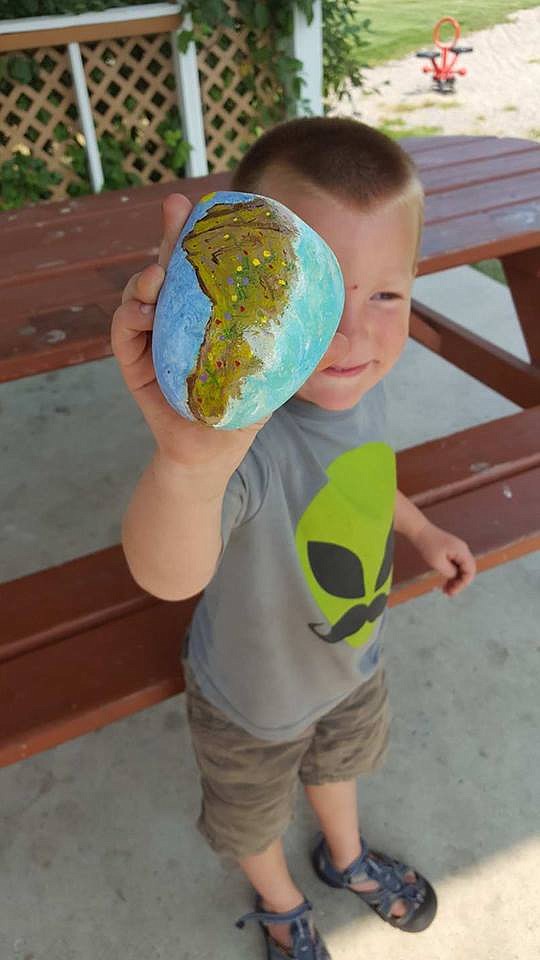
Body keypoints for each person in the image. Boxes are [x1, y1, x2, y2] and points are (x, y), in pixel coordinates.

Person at [111, 117, 477, 960]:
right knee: (252, 815)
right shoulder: (248, 439)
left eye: (385, 294)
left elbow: (366, 481)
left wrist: (420, 529)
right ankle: (280, 900)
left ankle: (345, 859)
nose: (352, 336)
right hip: (249, 700)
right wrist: (186, 464)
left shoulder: (359, 389)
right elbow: (169, 571)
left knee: (339, 769)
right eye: (320, 295)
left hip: (352, 663)